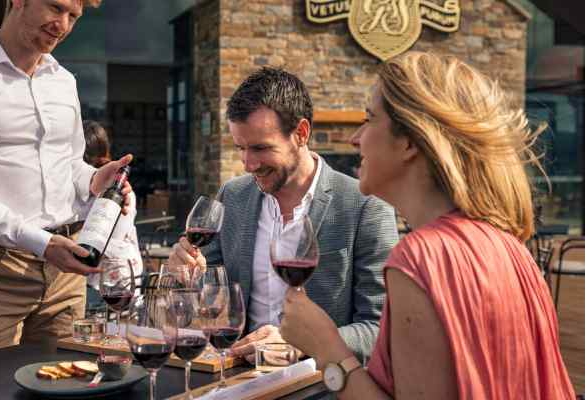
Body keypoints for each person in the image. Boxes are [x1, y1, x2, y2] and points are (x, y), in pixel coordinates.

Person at [280, 52, 575, 399]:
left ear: (410, 141)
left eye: (369, 119)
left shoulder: (420, 259)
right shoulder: (510, 246)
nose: (355, 138)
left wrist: (326, 347)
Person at [169, 67, 398, 362]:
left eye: (260, 148)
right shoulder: (233, 196)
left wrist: (303, 344)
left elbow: (380, 328)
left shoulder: (367, 205)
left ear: (301, 133)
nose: (248, 164)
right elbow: (213, 301)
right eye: (240, 148)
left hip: (320, 382)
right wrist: (191, 278)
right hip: (237, 375)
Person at [0, 0, 133, 357]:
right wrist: (41, 242)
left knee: (65, 380)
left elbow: (70, 165)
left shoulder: (64, 81)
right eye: (55, 7)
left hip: (66, 275)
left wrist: (95, 179)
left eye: (73, 16)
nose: (62, 25)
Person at [81, 120, 143, 296]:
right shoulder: (112, 183)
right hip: (123, 272)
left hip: (110, 276)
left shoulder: (115, 187)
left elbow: (112, 237)